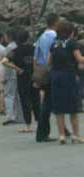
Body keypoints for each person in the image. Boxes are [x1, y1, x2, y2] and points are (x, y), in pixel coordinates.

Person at [49, 21, 84, 144]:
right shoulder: (71, 43)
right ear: (71, 32)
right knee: (73, 107)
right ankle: (76, 134)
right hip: (69, 76)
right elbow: (79, 58)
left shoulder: (54, 44)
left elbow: (49, 61)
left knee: (59, 108)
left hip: (55, 76)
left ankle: (62, 135)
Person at [3, 29, 40, 133]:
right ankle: (39, 122)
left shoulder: (15, 50)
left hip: (22, 78)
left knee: (25, 101)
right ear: (28, 38)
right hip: (33, 77)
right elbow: (40, 61)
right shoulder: (34, 49)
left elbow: (4, 61)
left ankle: (28, 125)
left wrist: (17, 68)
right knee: (36, 100)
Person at [34, 13, 60, 143]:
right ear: (56, 22)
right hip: (52, 70)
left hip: (42, 70)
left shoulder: (41, 37)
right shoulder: (55, 36)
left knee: (49, 101)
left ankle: (58, 129)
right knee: (48, 102)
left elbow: (36, 57)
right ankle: (42, 133)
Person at [2, 29, 19, 126]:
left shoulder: (8, 48)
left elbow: (5, 63)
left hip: (10, 74)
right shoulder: (17, 46)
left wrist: (4, 76)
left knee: (8, 95)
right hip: (17, 73)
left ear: (9, 37)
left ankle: (10, 116)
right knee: (17, 96)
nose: (4, 38)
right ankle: (19, 116)